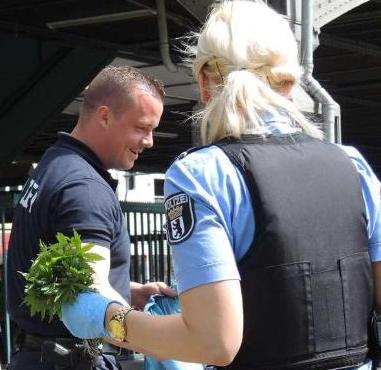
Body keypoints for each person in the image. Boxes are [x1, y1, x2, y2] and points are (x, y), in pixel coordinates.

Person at [61, 1, 381, 369]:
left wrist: (108, 319)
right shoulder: (352, 165)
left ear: (204, 81)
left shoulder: (202, 175)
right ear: (289, 83)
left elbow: (213, 342)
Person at [6, 65, 176, 370]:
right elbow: (93, 295)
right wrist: (169, 343)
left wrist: (128, 290)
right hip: (74, 360)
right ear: (105, 116)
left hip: (35, 356)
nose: (150, 141)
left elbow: (72, 279)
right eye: (141, 127)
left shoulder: (54, 163)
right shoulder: (85, 189)